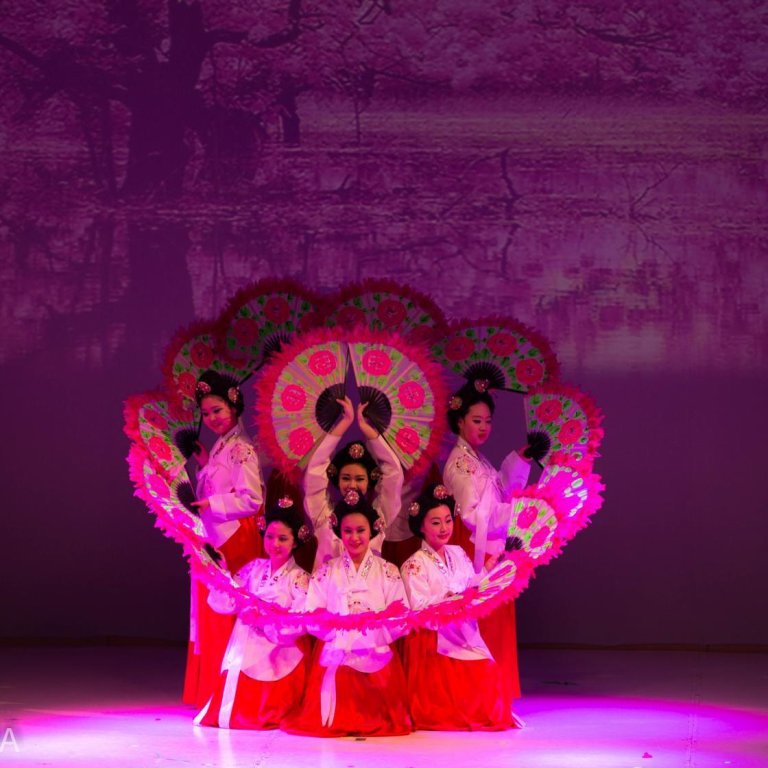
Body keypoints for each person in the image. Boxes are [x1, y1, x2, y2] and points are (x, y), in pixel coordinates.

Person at [281, 490, 413, 737]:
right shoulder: (326, 570)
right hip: (336, 650)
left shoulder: (388, 570)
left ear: (371, 531)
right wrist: (338, 633)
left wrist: (372, 634)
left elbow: (400, 614)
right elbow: (313, 611)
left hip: (375, 649)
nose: (354, 537)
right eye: (348, 531)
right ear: (339, 533)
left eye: (360, 530)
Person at [442, 379, 532, 714]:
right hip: (476, 552)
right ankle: (482, 700)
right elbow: (473, 515)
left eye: (488, 421)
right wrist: (518, 512)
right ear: (460, 421)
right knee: (483, 625)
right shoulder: (460, 463)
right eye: (476, 420)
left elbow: (500, 490)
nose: (483, 427)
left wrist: (519, 461)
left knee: (493, 623)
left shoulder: (476, 458)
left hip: (490, 547)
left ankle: (492, 698)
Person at [400, 483, 517, 730]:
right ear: (421, 526)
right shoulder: (414, 564)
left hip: (462, 628)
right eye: (435, 523)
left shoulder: (458, 552)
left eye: (447, 520)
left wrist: (490, 569)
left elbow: (471, 587)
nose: (444, 528)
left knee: (489, 677)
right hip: (433, 637)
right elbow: (419, 609)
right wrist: (449, 600)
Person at [183, 370, 265, 707]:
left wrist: (212, 504)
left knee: (227, 613)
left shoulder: (242, 448)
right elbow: (220, 483)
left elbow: (252, 500)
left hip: (234, 540)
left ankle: (230, 695)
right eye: (205, 413)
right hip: (216, 537)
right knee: (212, 613)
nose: (212, 418)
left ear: (234, 406)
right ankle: (212, 691)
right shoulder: (222, 445)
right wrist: (204, 464)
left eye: (217, 410)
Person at [195, 498, 311, 729]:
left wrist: (266, 621)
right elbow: (230, 600)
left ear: (295, 542)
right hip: (246, 642)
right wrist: (223, 572)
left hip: (279, 648)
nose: (274, 543)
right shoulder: (254, 568)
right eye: (270, 536)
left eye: (282, 538)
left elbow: (300, 620)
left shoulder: (300, 578)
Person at [303, 396, 403, 570]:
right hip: (328, 587)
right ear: (337, 479)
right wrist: (344, 423)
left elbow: (394, 475)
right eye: (346, 478)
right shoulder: (323, 516)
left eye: (360, 479)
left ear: (369, 481)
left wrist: (366, 429)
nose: (352, 485)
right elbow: (314, 472)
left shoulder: (379, 517)